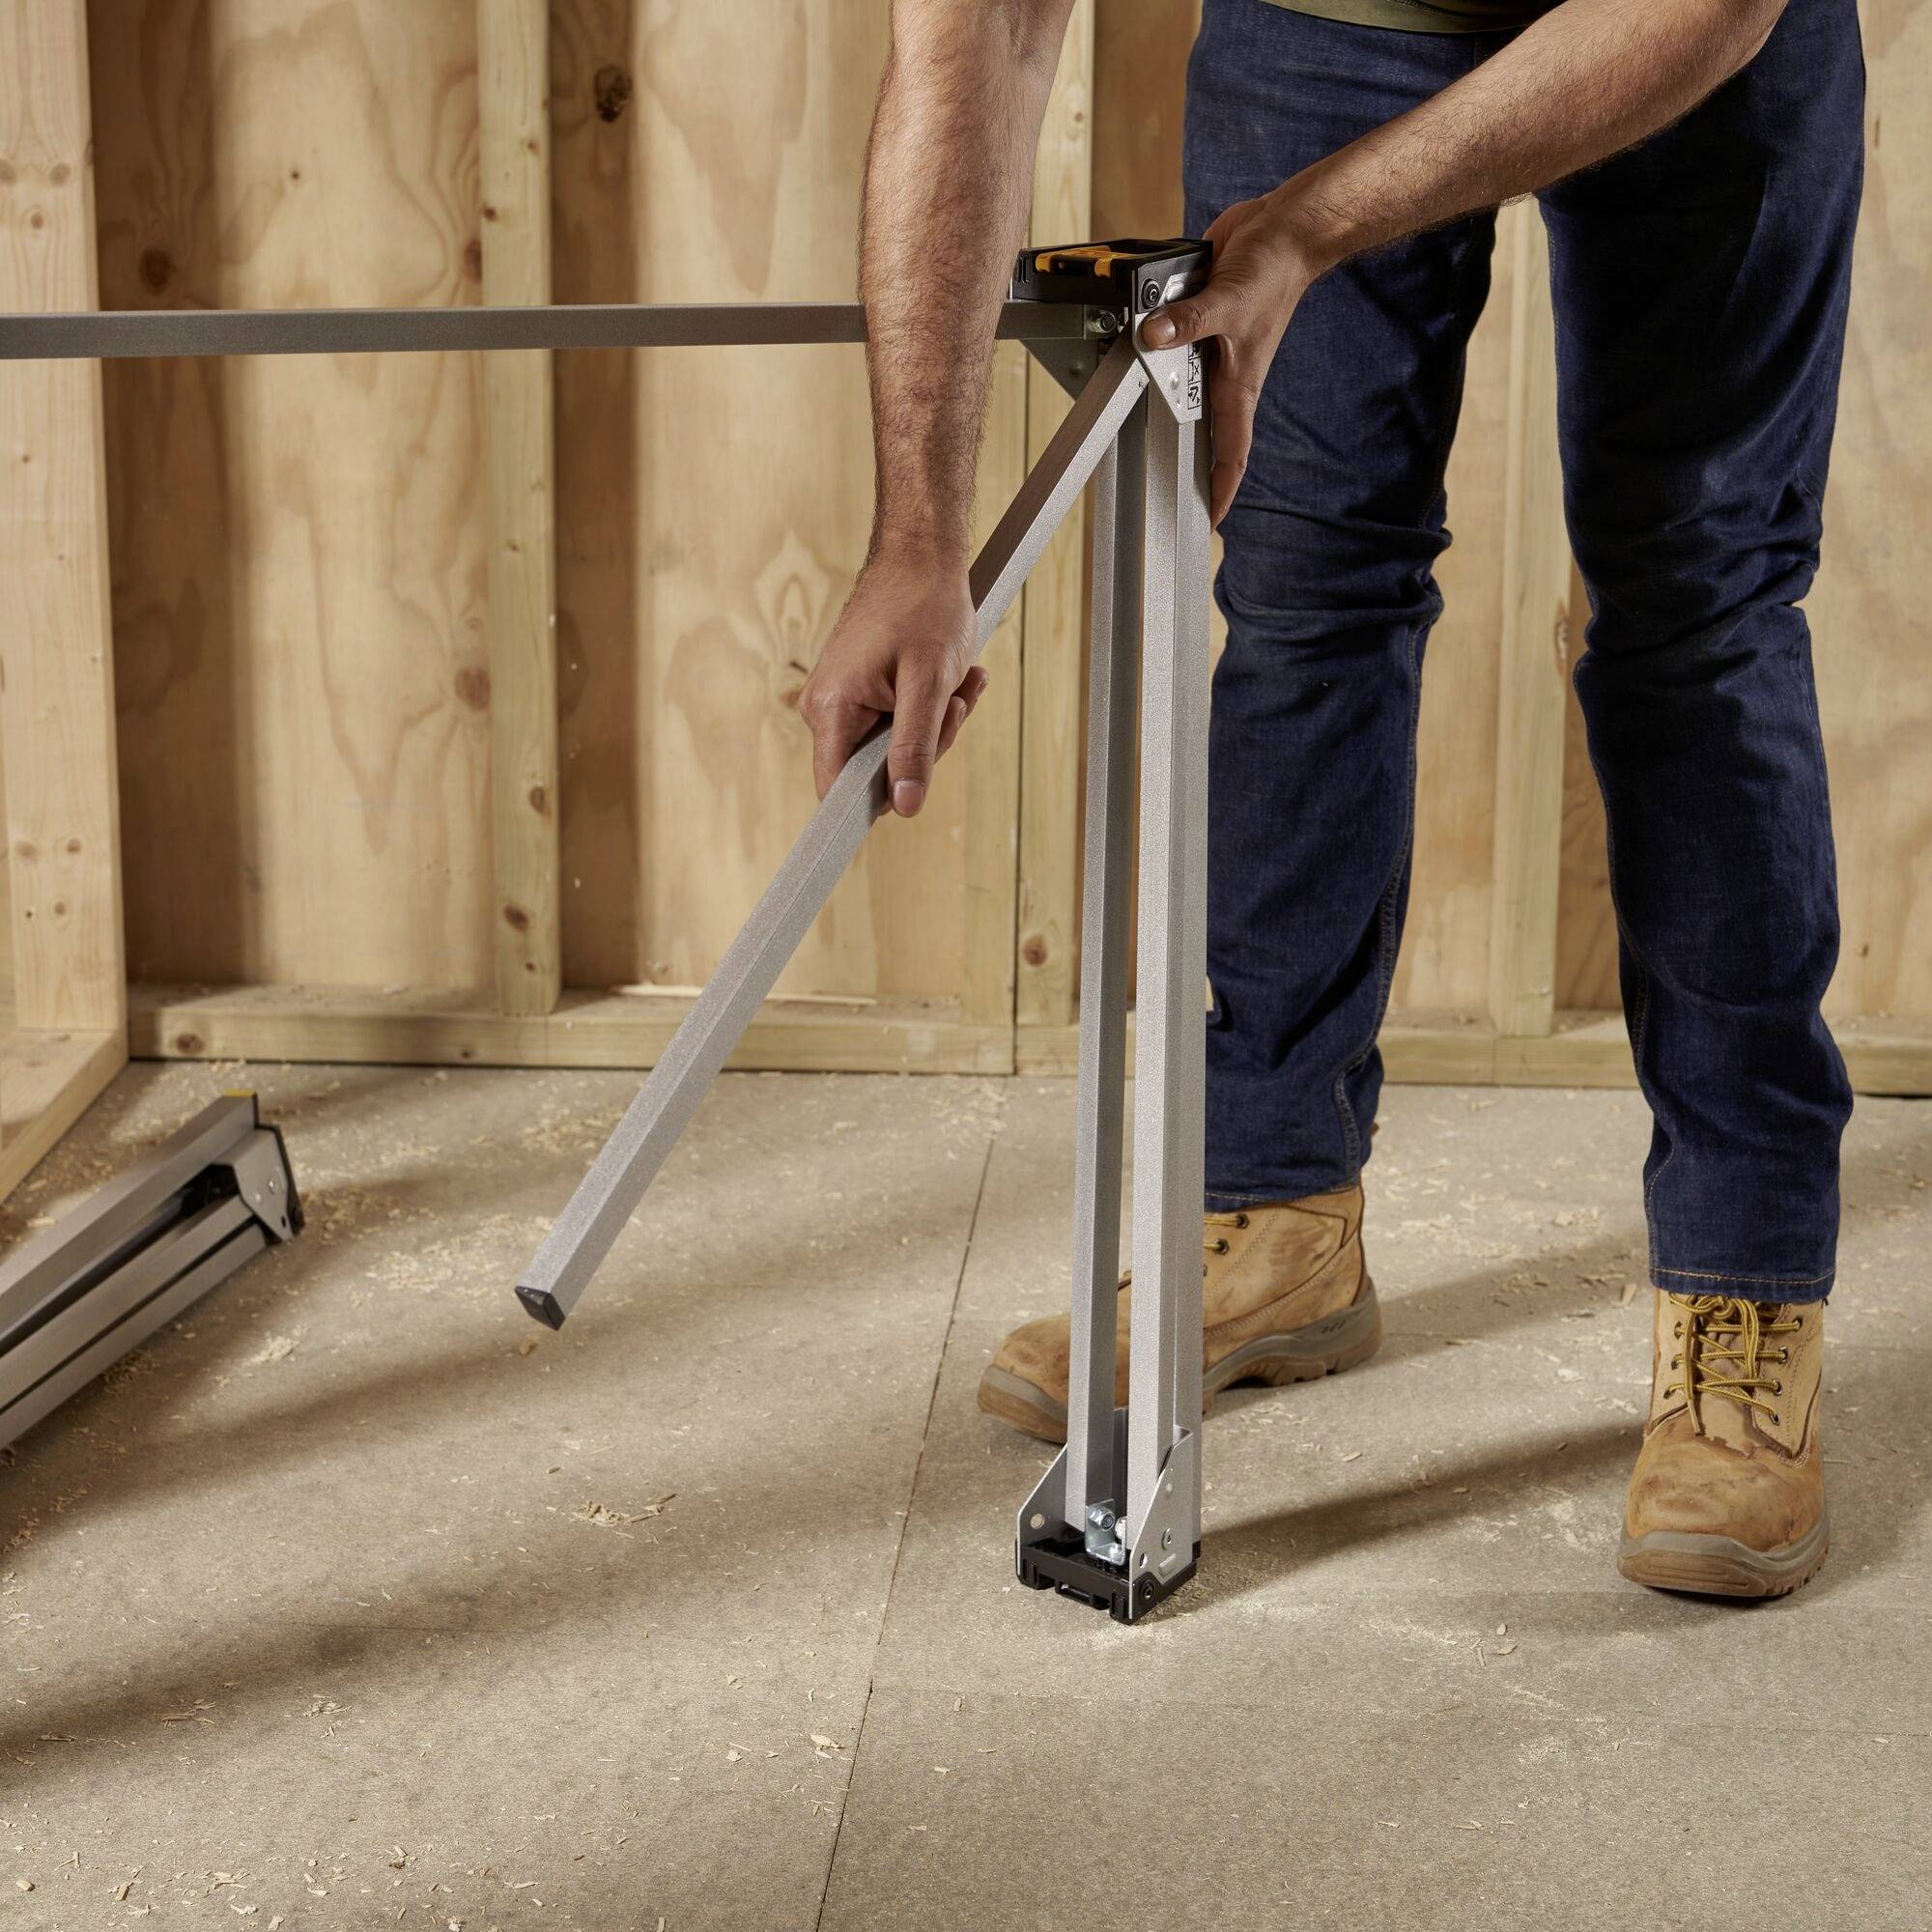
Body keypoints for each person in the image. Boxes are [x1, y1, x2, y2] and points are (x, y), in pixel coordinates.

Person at [798, 0, 1861, 1599]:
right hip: (1329, 26)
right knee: (1301, 579)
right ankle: (1272, 1213)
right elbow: (977, 46)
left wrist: (1307, 229)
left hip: (1682, 36)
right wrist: (918, 529)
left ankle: (1745, 1285)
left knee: (1697, 612)